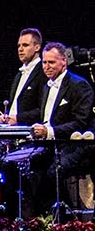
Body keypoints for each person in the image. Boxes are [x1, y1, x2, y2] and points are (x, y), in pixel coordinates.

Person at [15, 42, 95, 215]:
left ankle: (61, 220)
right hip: (51, 144)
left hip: (74, 144)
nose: (46, 67)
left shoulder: (79, 85)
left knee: (53, 172)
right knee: (25, 169)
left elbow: (80, 123)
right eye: (44, 62)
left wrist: (49, 132)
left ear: (63, 62)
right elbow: (47, 119)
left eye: (51, 62)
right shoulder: (46, 87)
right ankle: (37, 222)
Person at [2, 28, 48, 124]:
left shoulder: (44, 71)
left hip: (30, 131)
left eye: (25, 45)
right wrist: (6, 116)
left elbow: (45, 109)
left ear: (37, 47)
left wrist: (18, 118)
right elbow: (15, 107)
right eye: (19, 45)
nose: (20, 49)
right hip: (13, 131)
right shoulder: (19, 75)